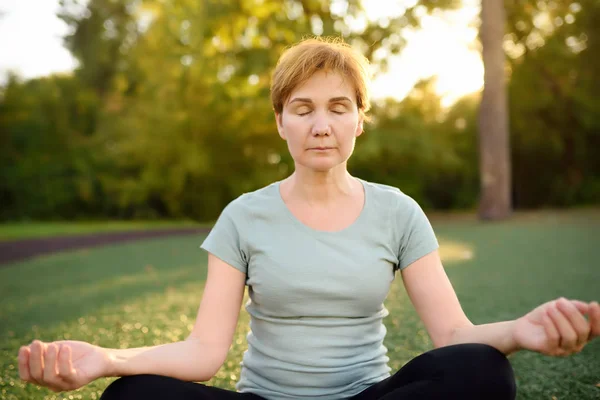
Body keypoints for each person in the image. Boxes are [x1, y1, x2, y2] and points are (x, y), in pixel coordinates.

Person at [18, 37, 599, 400]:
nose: (321, 124)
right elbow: (204, 351)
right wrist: (106, 361)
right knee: (131, 398)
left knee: (482, 372)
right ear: (281, 123)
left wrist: (520, 333)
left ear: (358, 122)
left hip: (367, 396)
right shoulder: (244, 216)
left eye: (337, 107)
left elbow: (452, 336)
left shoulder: (398, 211)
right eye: (303, 109)